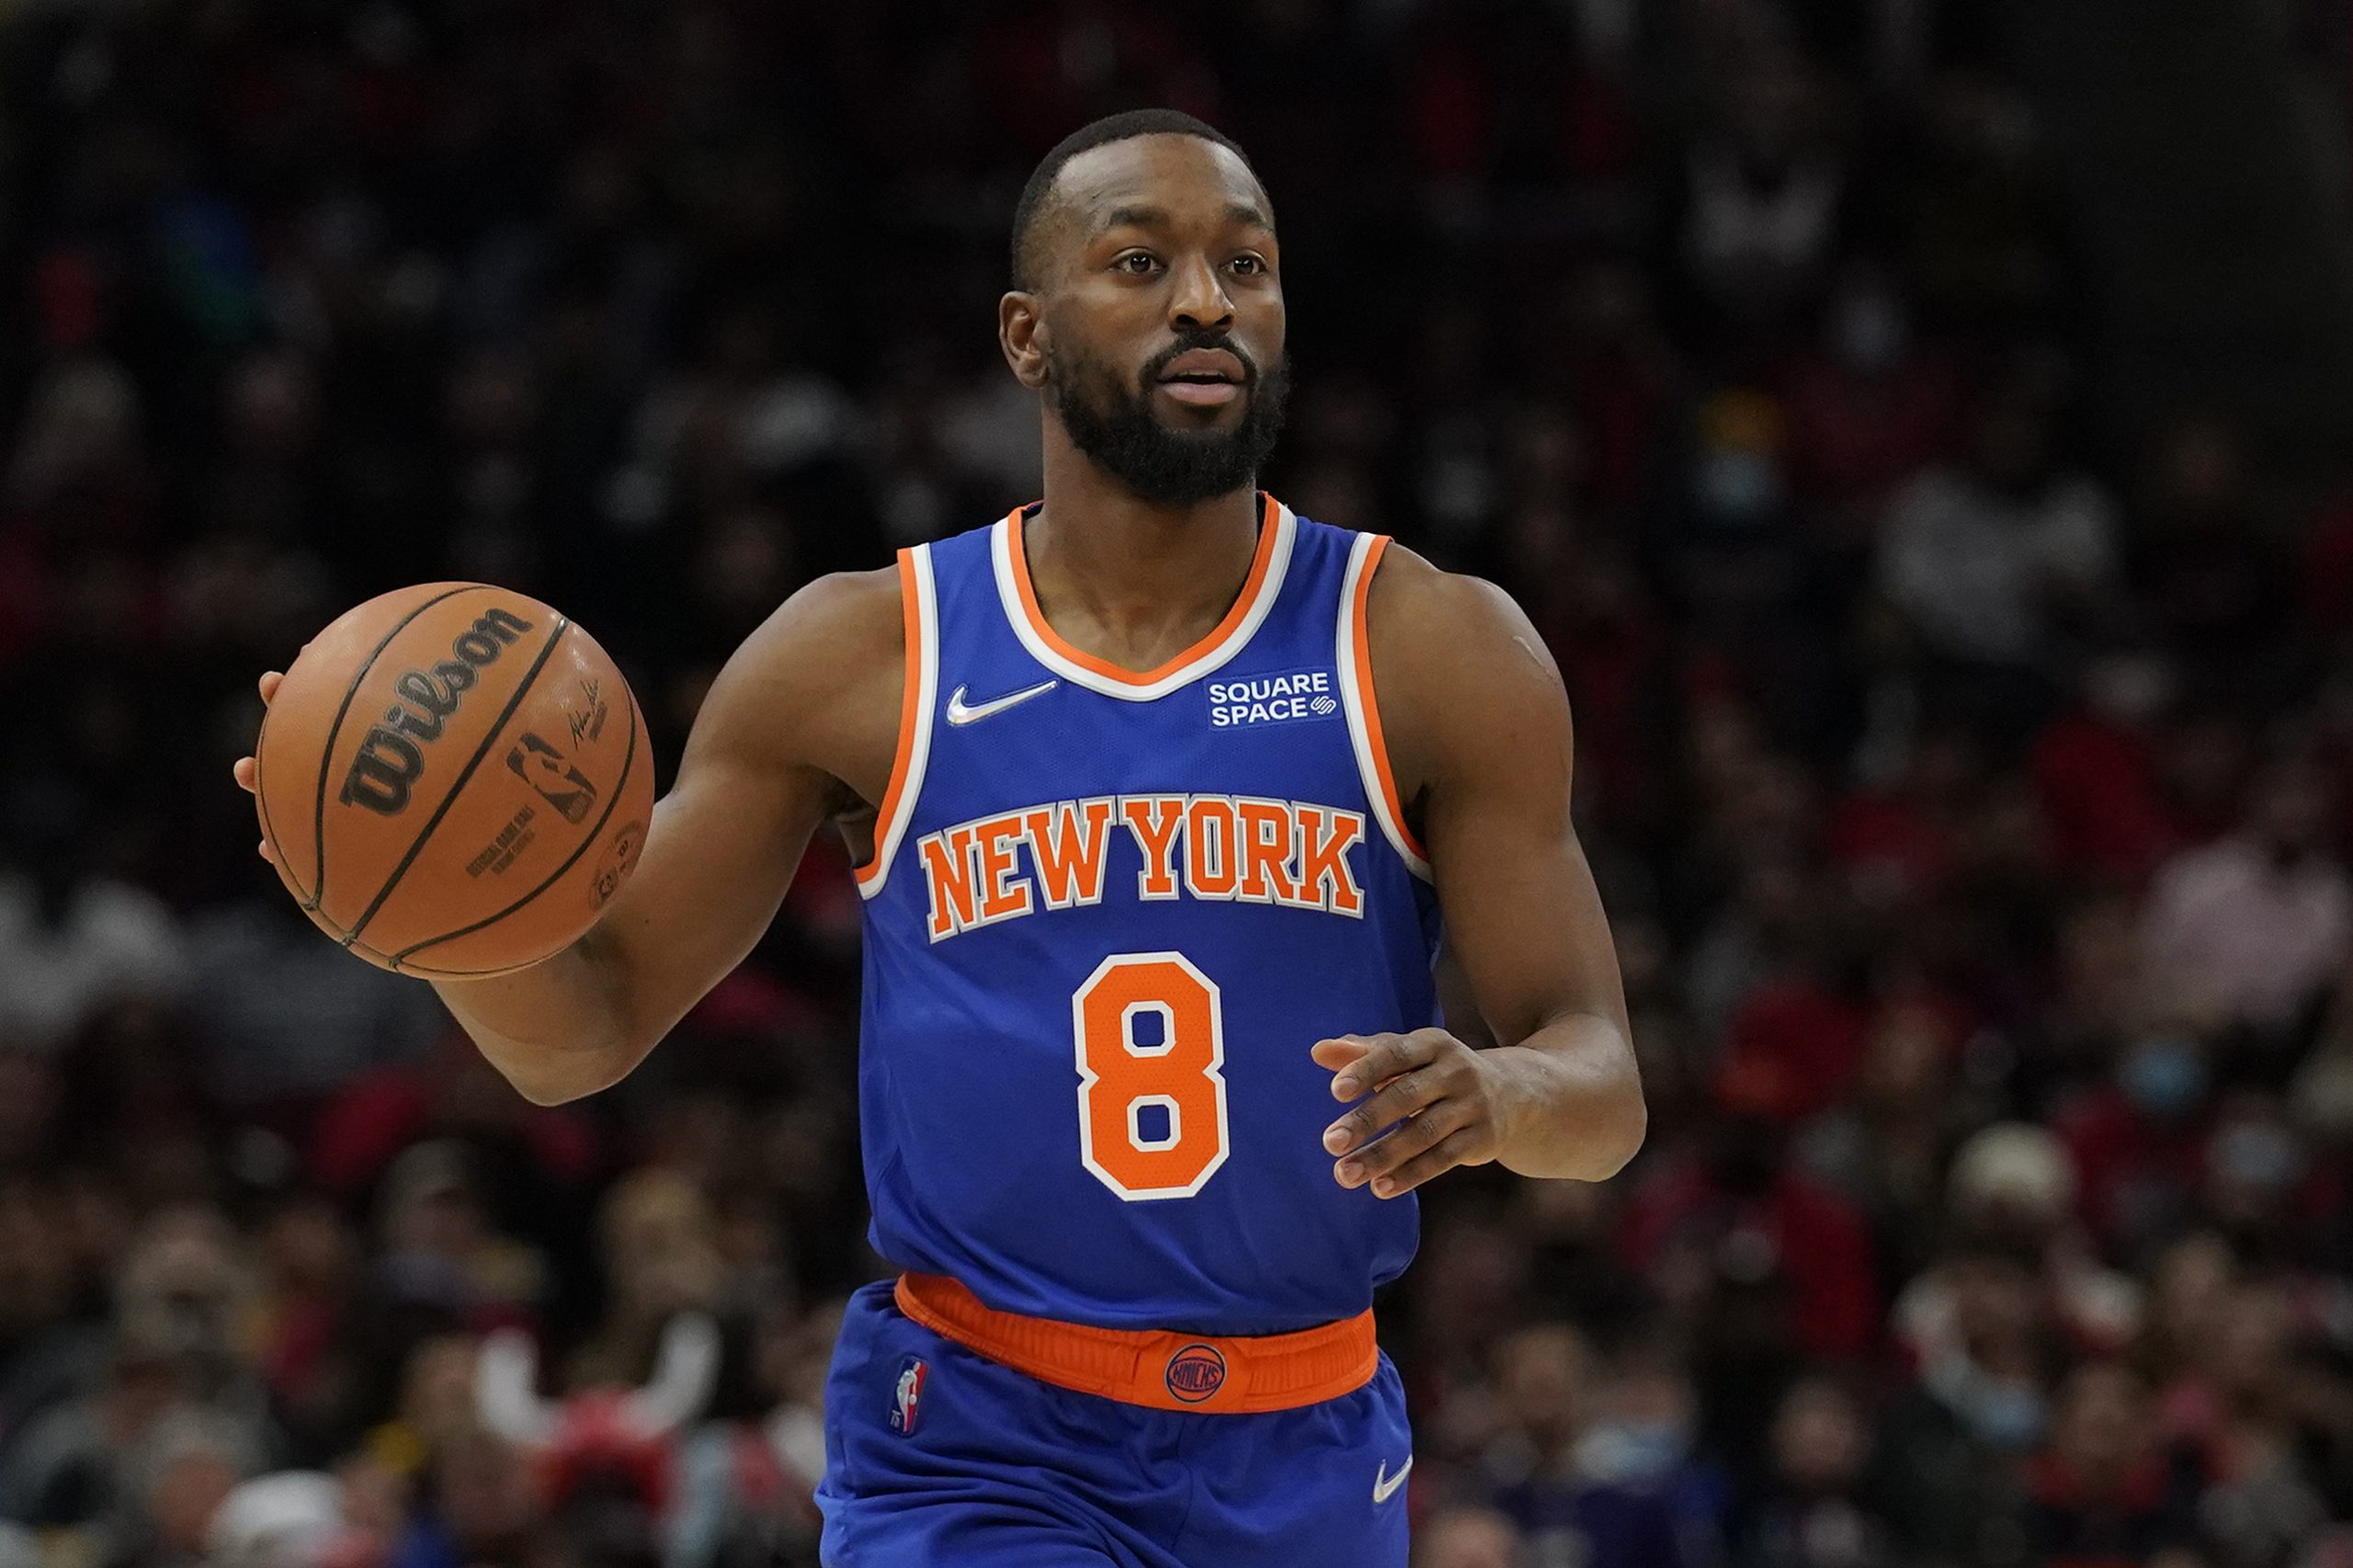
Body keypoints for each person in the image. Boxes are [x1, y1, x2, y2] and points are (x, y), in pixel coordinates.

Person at [233, 108, 1646, 1567]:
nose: (1208, 299)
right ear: (1027, 339)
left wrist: (1499, 1092)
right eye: (1142, 261)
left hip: (1308, 1435)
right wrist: (440, 915)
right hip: (978, 1436)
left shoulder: (1430, 646)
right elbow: (580, 1025)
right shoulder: (864, 654)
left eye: (1248, 263)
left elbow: (1601, 1080)